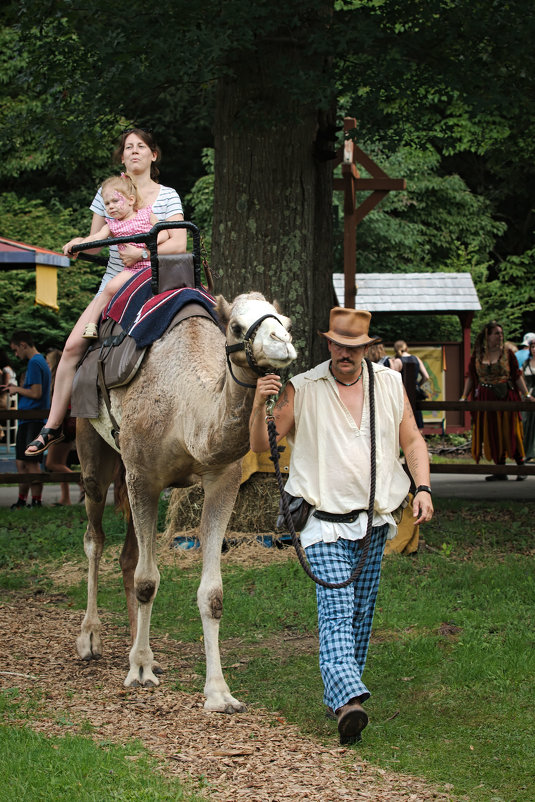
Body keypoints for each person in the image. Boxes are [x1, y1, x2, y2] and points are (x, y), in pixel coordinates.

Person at [249, 307, 433, 745]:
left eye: (353, 346)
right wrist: (260, 405)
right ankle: (350, 700)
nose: (344, 353)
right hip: (322, 525)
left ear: (367, 347)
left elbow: (412, 439)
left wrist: (423, 487)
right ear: (327, 343)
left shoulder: (389, 384)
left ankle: (340, 697)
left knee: (360, 616)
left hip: (374, 522)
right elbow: (262, 445)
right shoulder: (304, 387)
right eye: (337, 344)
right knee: (336, 611)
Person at [25, 128, 187, 457]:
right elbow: (97, 244)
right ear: (122, 157)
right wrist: (76, 246)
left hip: (157, 279)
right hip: (115, 282)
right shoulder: (107, 193)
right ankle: (53, 425)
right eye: (128, 147)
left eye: (141, 146)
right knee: (71, 348)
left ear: (153, 155)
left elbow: (179, 243)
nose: (135, 151)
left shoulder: (167, 196)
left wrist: (142, 255)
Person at [62, 173, 170, 339]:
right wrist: (79, 245)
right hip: (132, 269)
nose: (110, 206)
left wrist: (151, 242)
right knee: (109, 288)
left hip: (152, 266)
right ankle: (91, 325)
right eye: (107, 203)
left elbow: (163, 234)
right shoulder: (111, 225)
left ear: (131, 200)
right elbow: (96, 238)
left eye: (115, 201)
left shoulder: (146, 214)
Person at [460, 320, 535, 481]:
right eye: (496, 333)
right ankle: (499, 468)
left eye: (501, 333)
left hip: (506, 396)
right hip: (486, 398)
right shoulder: (478, 355)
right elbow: (471, 378)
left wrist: (527, 395)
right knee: (492, 431)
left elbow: (516, 377)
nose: (500, 336)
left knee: (512, 431)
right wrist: (463, 396)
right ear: (487, 335)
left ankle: (520, 466)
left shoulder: (508, 354)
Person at [2, 332, 51, 508]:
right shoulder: (38, 362)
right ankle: (22, 500)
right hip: (27, 419)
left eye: (16, 350)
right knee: (22, 463)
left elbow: (36, 393)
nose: (16, 355)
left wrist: (17, 389)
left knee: (31, 463)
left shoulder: (35, 363)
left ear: (23, 345)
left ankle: (36, 501)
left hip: (33, 418)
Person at [44, 349, 79, 505]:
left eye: (48, 361)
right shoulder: (70, 376)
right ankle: (65, 498)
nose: (46, 364)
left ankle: (83, 483)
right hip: (70, 422)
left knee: (51, 463)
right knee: (61, 463)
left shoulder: (59, 379)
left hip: (63, 423)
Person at [393, 340, 430, 429]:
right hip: (415, 394)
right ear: (406, 348)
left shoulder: (397, 361)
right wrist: (417, 385)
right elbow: (426, 377)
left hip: (402, 394)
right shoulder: (416, 358)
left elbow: (393, 380)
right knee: (417, 421)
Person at [521, 337, 535, 462]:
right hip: (528, 395)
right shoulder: (526, 363)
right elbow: (521, 380)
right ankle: (526, 452)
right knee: (526, 422)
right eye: (533, 346)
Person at [0, 348, 17, 441]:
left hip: (5, 400)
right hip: (8, 400)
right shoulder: (10, 369)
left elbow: (5, 387)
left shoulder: (6, 370)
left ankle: (0, 432)